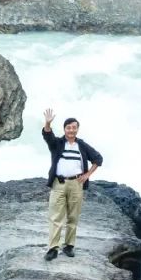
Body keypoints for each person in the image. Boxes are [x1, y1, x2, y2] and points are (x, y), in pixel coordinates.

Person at [42, 109, 103, 261]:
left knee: (73, 216)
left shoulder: (81, 145)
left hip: (76, 184)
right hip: (59, 183)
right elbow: (47, 135)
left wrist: (88, 174)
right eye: (68, 127)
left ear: (77, 129)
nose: (71, 130)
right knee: (56, 217)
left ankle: (69, 246)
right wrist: (48, 123)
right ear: (64, 129)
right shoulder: (57, 143)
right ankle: (53, 248)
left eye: (74, 127)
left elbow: (98, 159)